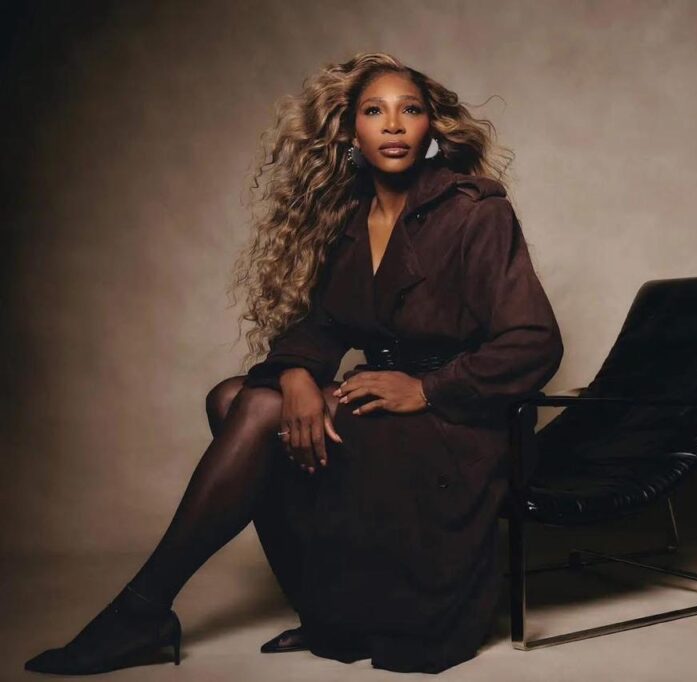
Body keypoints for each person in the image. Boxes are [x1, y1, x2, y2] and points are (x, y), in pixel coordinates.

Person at [24, 52, 563, 675]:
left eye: (410, 110)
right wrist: (297, 374)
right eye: (374, 111)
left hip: (460, 423)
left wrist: (426, 389)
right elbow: (322, 326)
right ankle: (326, 609)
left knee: (254, 409)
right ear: (351, 131)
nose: (393, 125)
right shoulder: (352, 219)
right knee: (233, 398)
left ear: (432, 128)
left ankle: (143, 609)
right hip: (384, 405)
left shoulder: (475, 211)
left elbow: (534, 341)